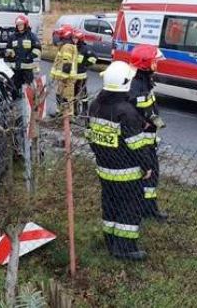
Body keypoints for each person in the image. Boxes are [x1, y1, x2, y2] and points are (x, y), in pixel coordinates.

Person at [87, 61, 155, 261]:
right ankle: (125, 248)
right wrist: (147, 166)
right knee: (130, 207)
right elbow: (137, 145)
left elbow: (89, 137)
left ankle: (110, 241)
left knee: (110, 204)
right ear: (126, 82)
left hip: (104, 169)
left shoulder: (95, 105)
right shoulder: (127, 112)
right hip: (127, 172)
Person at [128, 44, 167, 221]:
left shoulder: (145, 80)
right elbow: (133, 109)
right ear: (146, 63)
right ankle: (142, 210)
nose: (157, 65)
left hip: (148, 139)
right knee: (146, 173)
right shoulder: (136, 84)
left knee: (152, 175)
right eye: (155, 62)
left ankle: (150, 210)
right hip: (141, 140)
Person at [5, 14, 41, 92]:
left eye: (21, 24)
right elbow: (8, 48)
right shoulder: (12, 37)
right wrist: (9, 54)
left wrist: (29, 56)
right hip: (15, 68)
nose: (19, 26)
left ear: (25, 24)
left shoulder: (31, 36)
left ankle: (30, 103)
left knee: (29, 89)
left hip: (27, 68)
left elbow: (37, 49)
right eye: (18, 25)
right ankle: (15, 102)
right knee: (13, 88)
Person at [50, 24, 78, 115]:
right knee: (60, 95)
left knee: (67, 97)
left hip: (66, 78)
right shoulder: (65, 46)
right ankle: (60, 113)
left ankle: (68, 117)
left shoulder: (67, 47)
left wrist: (64, 77)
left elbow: (67, 63)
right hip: (63, 78)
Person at [72, 28, 98, 117]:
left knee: (83, 95)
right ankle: (75, 110)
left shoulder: (85, 49)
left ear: (80, 39)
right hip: (72, 76)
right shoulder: (72, 47)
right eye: (73, 38)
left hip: (81, 76)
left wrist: (85, 65)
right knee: (74, 94)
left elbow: (94, 58)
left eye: (76, 39)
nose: (74, 40)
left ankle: (84, 110)